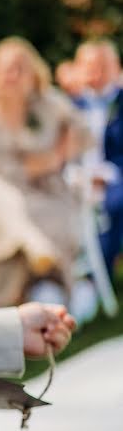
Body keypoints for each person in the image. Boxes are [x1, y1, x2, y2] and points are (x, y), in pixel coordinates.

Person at [0, 37, 93, 310]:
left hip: (46, 194)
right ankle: (29, 265)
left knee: (43, 211)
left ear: (34, 75)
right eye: (6, 68)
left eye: (21, 68)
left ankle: (43, 289)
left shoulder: (49, 109)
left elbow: (85, 134)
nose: (12, 75)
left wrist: (59, 153)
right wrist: (41, 163)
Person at [72, 40, 123, 275]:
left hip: (114, 176)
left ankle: (100, 272)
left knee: (114, 202)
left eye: (103, 66)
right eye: (90, 66)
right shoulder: (69, 105)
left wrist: (105, 175)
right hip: (76, 178)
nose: (97, 73)